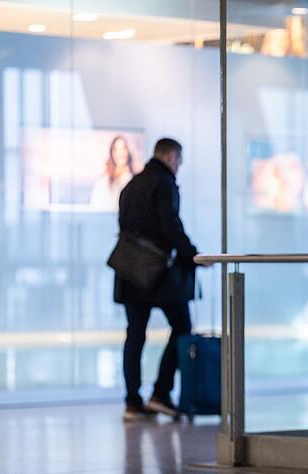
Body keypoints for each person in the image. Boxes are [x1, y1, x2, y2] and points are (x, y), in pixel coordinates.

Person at [113, 138, 200, 421]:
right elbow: (171, 226)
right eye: (179, 160)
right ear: (171, 156)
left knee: (135, 335)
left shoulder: (132, 184)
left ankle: (132, 402)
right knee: (182, 327)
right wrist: (193, 255)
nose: (179, 166)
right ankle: (161, 393)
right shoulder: (164, 184)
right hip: (158, 274)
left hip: (129, 271)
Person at [91, 135, 136, 210]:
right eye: (116, 149)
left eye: (123, 148)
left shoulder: (134, 180)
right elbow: (96, 204)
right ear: (112, 153)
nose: (120, 153)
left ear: (127, 152)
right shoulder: (104, 180)